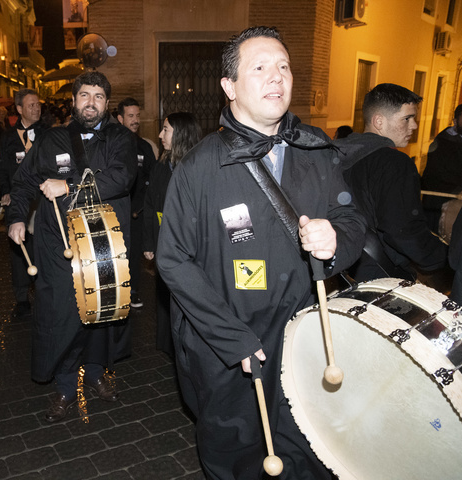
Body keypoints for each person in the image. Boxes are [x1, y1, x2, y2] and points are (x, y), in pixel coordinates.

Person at [155, 27, 365, 479]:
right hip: (231, 343)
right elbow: (173, 259)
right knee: (238, 454)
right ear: (229, 88)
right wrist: (232, 339)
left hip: (306, 335)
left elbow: (352, 222)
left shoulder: (317, 150)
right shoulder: (198, 168)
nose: (277, 77)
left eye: (284, 66)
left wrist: (336, 241)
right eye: (260, 67)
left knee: (310, 447)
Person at [7, 71, 137, 423]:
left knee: (100, 309)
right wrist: (17, 218)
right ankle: (65, 385)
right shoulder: (50, 139)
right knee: (61, 311)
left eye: (98, 96)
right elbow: (23, 182)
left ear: (107, 104)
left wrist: (68, 185)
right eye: (84, 95)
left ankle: (95, 372)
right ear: (74, 101)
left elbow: (122, 177)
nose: (91, 102)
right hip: (57, 243)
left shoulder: (121, 137)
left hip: (105, 240)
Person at [338, 83, 446, 281]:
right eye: (407, 118)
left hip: (341, 270)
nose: (413, 125)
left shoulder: (336, 153)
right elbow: (403, 231)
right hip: (380, 276)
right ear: (379, 121)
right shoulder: (394, 163)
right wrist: (445, 258)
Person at [143, 112, 202, 357]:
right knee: (165, 297)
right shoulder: (160, 166)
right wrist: (149, 241)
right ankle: (169, 344)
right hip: (163, 243)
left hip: (189, 248)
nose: (159, 135)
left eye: (165, 130)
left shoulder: (197, 167)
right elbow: (149, 204)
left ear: (180, 133)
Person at [0, 89, 48, 318]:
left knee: (42, 246)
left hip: (41, 201)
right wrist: (5, 191)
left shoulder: (47, 133)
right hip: (17, 202)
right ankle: (21, 297)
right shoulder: (8, 137)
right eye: (31, 105)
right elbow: (1, 168)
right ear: (19, 109)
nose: (36, 108)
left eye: (38, 104)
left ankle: (44, 291)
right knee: (18, 249)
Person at [116, 97, 157, 309]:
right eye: (130, 116)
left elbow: (153, 177)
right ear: (120, 118)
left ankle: (132, 291)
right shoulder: (111, 146)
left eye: (137, 116)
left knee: (134, 252)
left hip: (137, 212)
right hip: (115, 212)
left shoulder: (144, 147)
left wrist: (142, 206)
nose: (135, 120)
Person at [422, 102, 462, 231]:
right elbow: (436, 175)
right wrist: (461, 188)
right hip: (441, 204)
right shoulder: (442, 143)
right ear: (455, 121)